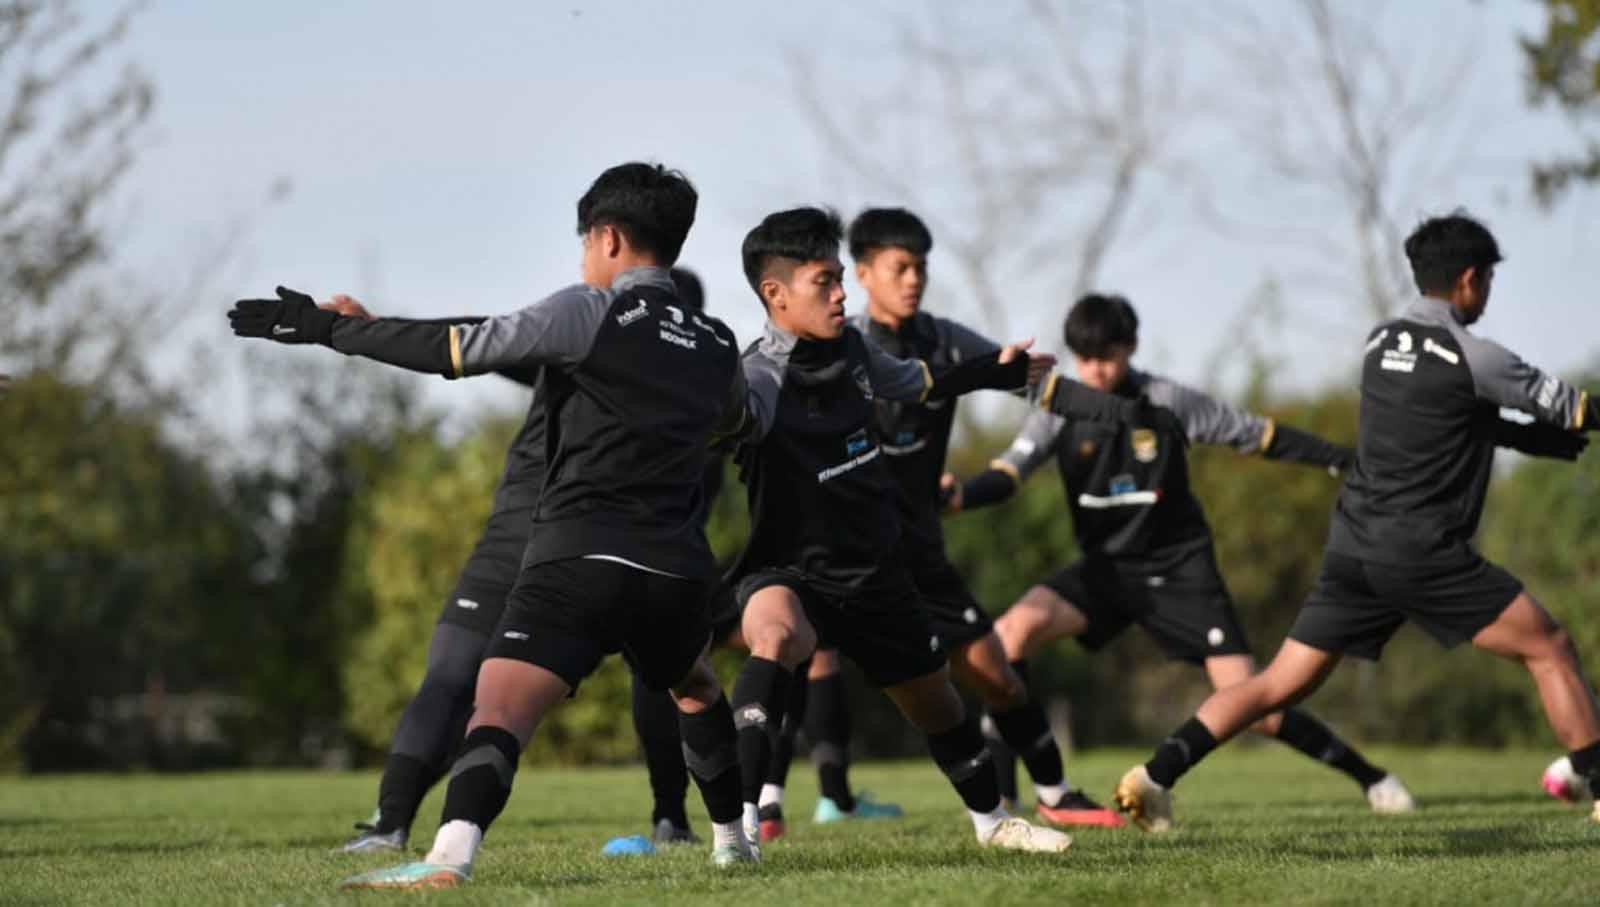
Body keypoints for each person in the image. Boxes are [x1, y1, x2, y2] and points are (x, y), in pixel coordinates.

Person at [231, 162, 755, 887]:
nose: (584, 258)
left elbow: (459, 347)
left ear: (607, 237)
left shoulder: (589, 310)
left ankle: (449, 856)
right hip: (675, 570)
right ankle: (733, 843)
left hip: (578, 555)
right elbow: (737, 425)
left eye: (585, 243)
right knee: (694, 686)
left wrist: (334, 330)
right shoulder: (718, 342)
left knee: (500, 704)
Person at [1110, 212, 1600, 831]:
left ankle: (1155, 775)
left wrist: (1527, 439)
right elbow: (1573, 409)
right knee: (1549, 647)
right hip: (1420, 551)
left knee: (1277, 684)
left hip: (1353, 547)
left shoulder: (1380, 344)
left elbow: (1446, 415)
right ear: (1470, 279)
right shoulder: (1476, 355)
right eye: (1488, 283)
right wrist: (1553, 429)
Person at [721, 206, 1142, 855]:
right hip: (791, 566)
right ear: (775, 293)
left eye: (840, 278)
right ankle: (738, 827)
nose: (841, 294)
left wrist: (993, 372)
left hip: (872, 568)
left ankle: (994, 822)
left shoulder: (855, 350)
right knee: (775, 634)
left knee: (936, 700)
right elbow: (709, 430)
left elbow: (916, 383)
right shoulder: (755, 379)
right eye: (824, 282)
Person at [948, 291, 1412, 824]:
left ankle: (1372, 778)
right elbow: (1009, 473)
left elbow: (1255, 434)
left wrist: (1341, 460)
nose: (1096, 370)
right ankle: (1009, 798)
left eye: (1107, 357)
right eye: (1085, 359)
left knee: (1253, 704)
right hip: (1106, 572)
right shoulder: (1059, 408)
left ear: (1131, 348)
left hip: (1179, 571)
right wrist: (960, 495)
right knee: (1009, 636)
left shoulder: (1166, 401)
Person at [325, 266, 712, 854]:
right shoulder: (684, 373)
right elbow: (484, 336)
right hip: (584, 538)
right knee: (668, 674)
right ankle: (672, 819)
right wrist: (378, 327)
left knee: (464, 676)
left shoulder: (600, 333)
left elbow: (484, 337)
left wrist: (374, 328)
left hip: (557, 534)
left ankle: (391, 828)